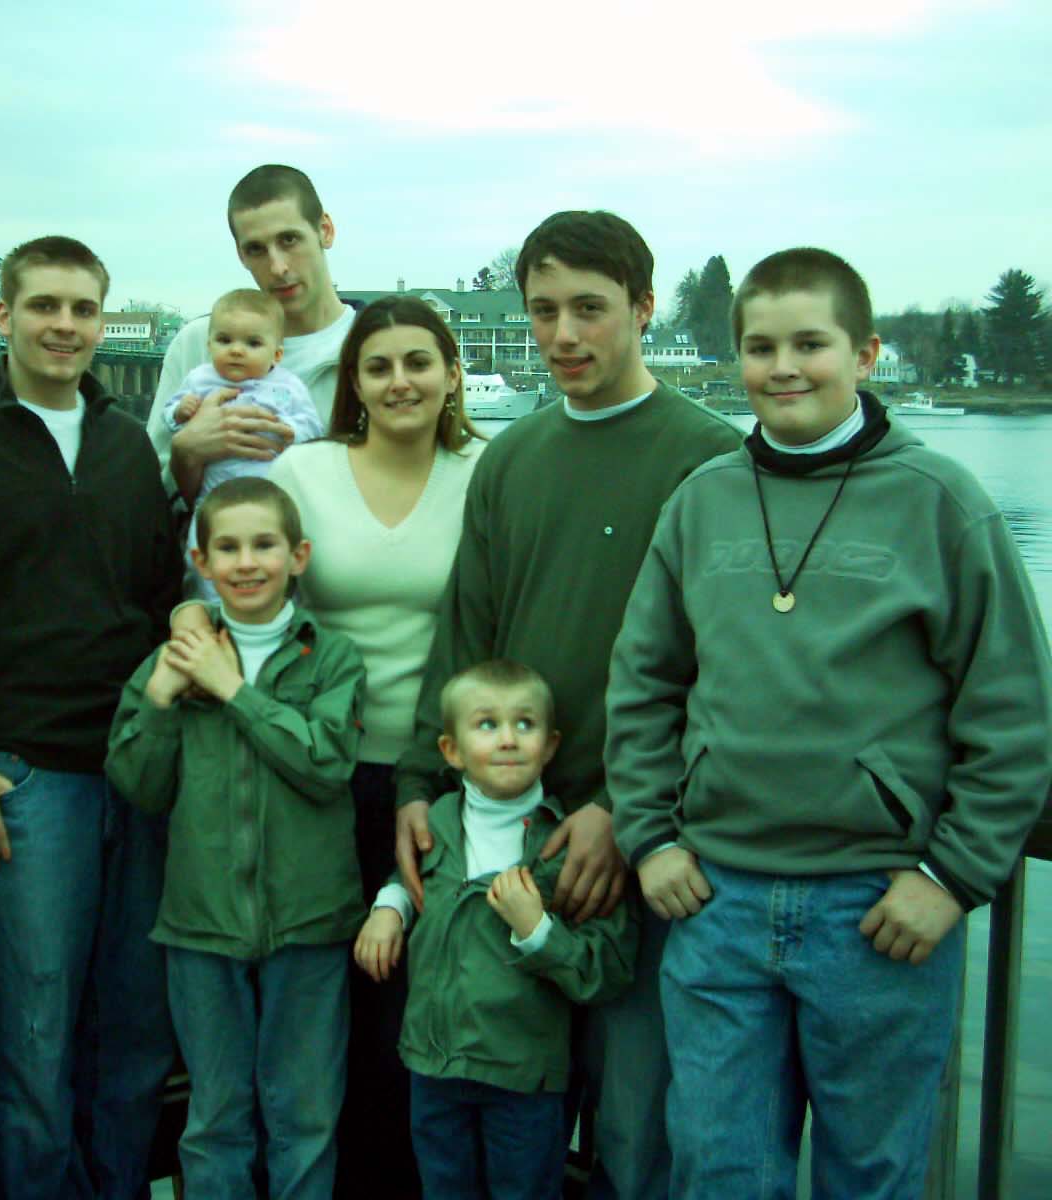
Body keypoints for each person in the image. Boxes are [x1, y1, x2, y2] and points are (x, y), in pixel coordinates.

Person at [606, 247, 1052, 1199]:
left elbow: (1014, 711)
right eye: (761, 347)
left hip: (880, 914)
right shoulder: (701, 501)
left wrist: (955, 876)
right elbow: (643, 686)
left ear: (866, 354)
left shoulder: (942, 503)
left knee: (870, 1178)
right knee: (719, 1173)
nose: (785, 367)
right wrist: (650, 837)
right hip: (714, 901)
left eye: (811, 343)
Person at [393, 210, 741, 1198]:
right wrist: (419, 782)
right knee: (513, 1120)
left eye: (589, 308)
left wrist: (627, 810)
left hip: (648, 845)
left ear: (642, 307)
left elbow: (727, 674)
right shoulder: (512, 458)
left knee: (636, 1126)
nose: (562, 335)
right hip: (516, 845)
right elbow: (466, 638)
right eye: (542, 311)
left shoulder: (710, 459)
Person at [0, 236, 180, 1200]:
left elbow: (154, 600)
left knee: (135, 1027)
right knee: (34, 1031)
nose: (65, 325)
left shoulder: (126, 443)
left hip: (136, 770)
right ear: (3, 316)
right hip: (21, 776)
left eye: (83, 308)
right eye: (44, 305)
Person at [267, 294, 485, 1195]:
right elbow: (242, 589)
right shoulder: (303, 470)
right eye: (379, 366)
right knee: (325, 1003)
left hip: (441, 785)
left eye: (419, 362)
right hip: (318, 775)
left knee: (417, 1002)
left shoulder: (487, 471)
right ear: (352, 382)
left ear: (451, 374)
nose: (401, 381)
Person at [107, 476, 366, 1200]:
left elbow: (326, 764)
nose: (247, 562)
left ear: (298, 556)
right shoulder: (173, 660)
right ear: (201, 561)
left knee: (304, 1114)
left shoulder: (330, 657)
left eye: (264, 545)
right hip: (202, 923)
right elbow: (138, 786)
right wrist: (159, 701)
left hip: (309, 921)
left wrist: (234, 691)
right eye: (227, 547)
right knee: (216, 1117)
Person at [358, 660, 636, 1200]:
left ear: (550, 746)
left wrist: (537, 929)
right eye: (487, 724)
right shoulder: (436, 823)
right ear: (451, 750)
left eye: (524, 724)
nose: (508, 739)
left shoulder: (565, 847)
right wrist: (389, 908)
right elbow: (414, 881)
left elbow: (608, 970)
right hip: (434, 1067)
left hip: (522, 1078)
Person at [147, 164, 356, 505]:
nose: (278, 267)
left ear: (325, 231)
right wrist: (186, 452)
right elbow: (151, 496)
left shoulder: (371, 351)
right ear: (241, 255)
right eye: (256, 249)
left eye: (289, 240)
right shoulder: (195, 344)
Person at [164, 287, 325, 593]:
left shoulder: (288, 386)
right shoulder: (200, 379)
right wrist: (181, 411)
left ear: (276, 355)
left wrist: (291, 430)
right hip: (214, 495)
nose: (236, 350)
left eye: (252, 343)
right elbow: (170, 416)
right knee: (205, 556)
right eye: (225, 340)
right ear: (209, 345)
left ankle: (277, 609)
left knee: (274, 559)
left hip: (273, 495)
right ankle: (211, 607)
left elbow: (312, 427)